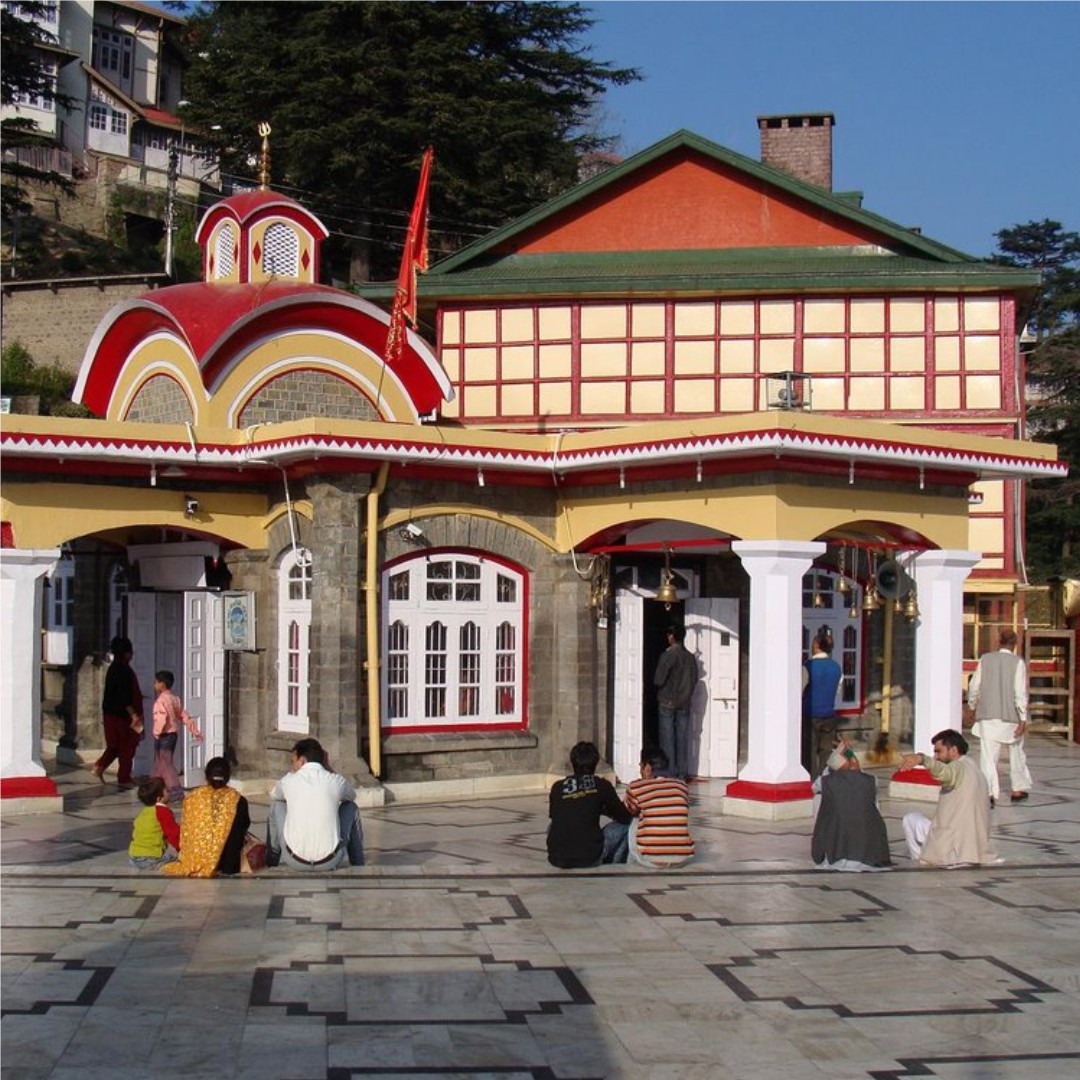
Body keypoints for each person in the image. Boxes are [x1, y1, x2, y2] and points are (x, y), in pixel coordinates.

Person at [899, 729, 997, 867]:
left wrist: (922, 759)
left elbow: (945, 772)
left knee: (911, 819)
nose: (935, 757)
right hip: (975, 846)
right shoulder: (974, 768)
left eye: (939, 751)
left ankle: (921, 858)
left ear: (954, 751)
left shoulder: (958, 767)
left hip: (954, 846)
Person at [266, 738, 365, 870]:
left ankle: (272, 859)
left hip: (294, 860)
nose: (292, 766)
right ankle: (358, 862)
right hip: (330, 860)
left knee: (276, 806)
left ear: (302, 760)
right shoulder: (335, 780)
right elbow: (351, 796)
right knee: (351, 807)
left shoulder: (289, 780)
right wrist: (328, 768)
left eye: (293, 761)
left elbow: (274, 794)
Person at [967, 628, 1032, 805]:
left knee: (988, 756)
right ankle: (1018, 789)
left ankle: (989, 793)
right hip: (1011, 716)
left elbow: (974, 686)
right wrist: (1023, 718)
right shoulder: (1018, 663)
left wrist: (972, 706)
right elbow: (1020, 693)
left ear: (998, 641)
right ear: (1015, 644)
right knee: (1017, 753)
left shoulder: (985, 659)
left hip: (988, 715)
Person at [547, 741, 632, 868]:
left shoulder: (557, 787)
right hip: (590, 856)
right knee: (627, 825)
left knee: (551, 826)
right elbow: (624, 817)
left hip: (557, 858)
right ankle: (614, 862)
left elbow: (555, 815)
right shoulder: (602, 785)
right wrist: (604, 809)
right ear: (595, 763)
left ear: (573, 762)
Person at [811, 740, 892, 872]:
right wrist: (846, 755)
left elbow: (817, 785)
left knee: (819, 798)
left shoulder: (825, 782)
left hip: (836, 853)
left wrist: (837, 755)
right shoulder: (871, 781)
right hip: (869, 856)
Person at [163, 756, 251, 877]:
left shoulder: (192, 798)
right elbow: (245, 824)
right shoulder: (238, 799)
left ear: (206, 775)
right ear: (228, 776)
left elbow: (187, 830)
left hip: (196, 859)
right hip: (228, 863)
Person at [624, 747, 694, 868]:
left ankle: (631, 866)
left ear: (647, 768)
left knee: (635, 820)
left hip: (651, 859)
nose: (640, 771)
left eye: (641, 766)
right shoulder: (682, 786)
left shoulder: (636, 787)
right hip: (681, 858)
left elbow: (628, 810)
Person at [90, 636, 145, 789]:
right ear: (126, 653)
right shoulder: (124, 670)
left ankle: (99, 767)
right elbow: (124, 696)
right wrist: (134, 715)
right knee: (127, 747)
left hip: (110, 714)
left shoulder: (113, 668)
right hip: (123, 716)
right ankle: (124, 777)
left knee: (114, 745)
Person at [653, 625, 699, 782]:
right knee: (682, 737)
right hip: (684, 702)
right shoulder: (690, 657)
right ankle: (682, 773)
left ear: (671, 636)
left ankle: (669, 773)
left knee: (668, 738)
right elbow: (694, 680)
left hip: (667, 701)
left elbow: (658, 679)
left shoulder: (669, 655)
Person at [150, 670, 203, 803]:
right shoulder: (175, 699)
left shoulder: (161, 701)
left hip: (164, 735)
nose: (154, 685)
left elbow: (161, 719)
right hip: (172, 735)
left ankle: (176, 792)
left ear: (162, 684)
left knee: (165, 763)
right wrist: (195, 731)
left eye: (156, 682)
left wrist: (156, 733)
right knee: (160, 763)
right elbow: (184, 715)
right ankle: (154, 788)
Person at [802, 630, 843, 776]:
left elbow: (801, 688)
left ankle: (811, 779)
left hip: (810, 713)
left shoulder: (809, 666)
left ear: (817, 645)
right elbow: (838, 690)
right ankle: (824, 779)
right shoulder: (837, 667)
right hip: (829, 714)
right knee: (826, 751)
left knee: (809, 751)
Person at [128, 777, 180, 870]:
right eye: (167, 791)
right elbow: (174, 834)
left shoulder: (144, 812)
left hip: (133, 857)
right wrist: (181, 850)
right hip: (151, 858)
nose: (169, 793)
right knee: (178, 859)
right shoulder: (163, 811)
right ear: (159, 798)